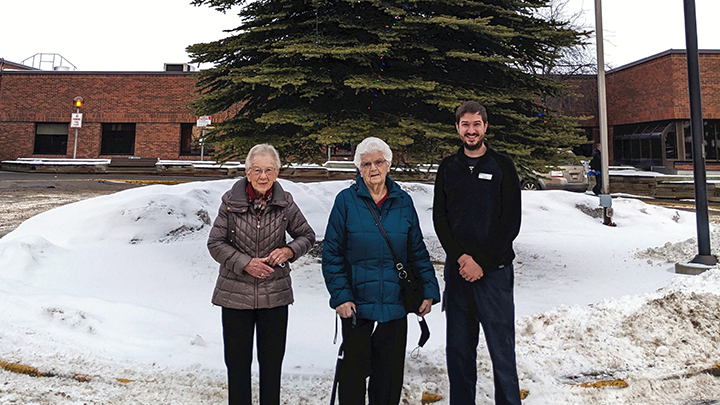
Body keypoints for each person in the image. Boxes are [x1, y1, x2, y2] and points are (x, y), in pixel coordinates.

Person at [322, 137, 441, 405]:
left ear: (388, 165)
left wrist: (429, 290)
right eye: (366, 164)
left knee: (387, 383)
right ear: (359, 169)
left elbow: (417, 251)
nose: (373, 168)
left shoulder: (403, 202)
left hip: (394, 307)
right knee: (352, 380)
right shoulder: (345, 202)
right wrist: (340, 297)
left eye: (378, 162)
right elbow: (331, 254)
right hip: (356, 308)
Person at [207, 143, 316, 405]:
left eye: (269, 170)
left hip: (274, 297)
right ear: (247, 171)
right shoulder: (230, 202)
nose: (263, 176)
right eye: (257, 170)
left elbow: (307, 236)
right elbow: (215, 243)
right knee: (237, 366)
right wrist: (245, 263)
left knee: (271, 366)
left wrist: (289, 251)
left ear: (277, 172)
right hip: (235, 296)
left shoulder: (285, 202)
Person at [433, 101, 522, 405]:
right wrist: (461, 259)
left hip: (494, 274)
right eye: (465, 125)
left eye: (476, 124)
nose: (471, 131)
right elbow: (439, 219)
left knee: (502, 351)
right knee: (458, 352)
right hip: (458, 276)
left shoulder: (502, 165)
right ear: (457, 128)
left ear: (485, 127)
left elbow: (511, 221)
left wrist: (480, 261)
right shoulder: (448, 168)